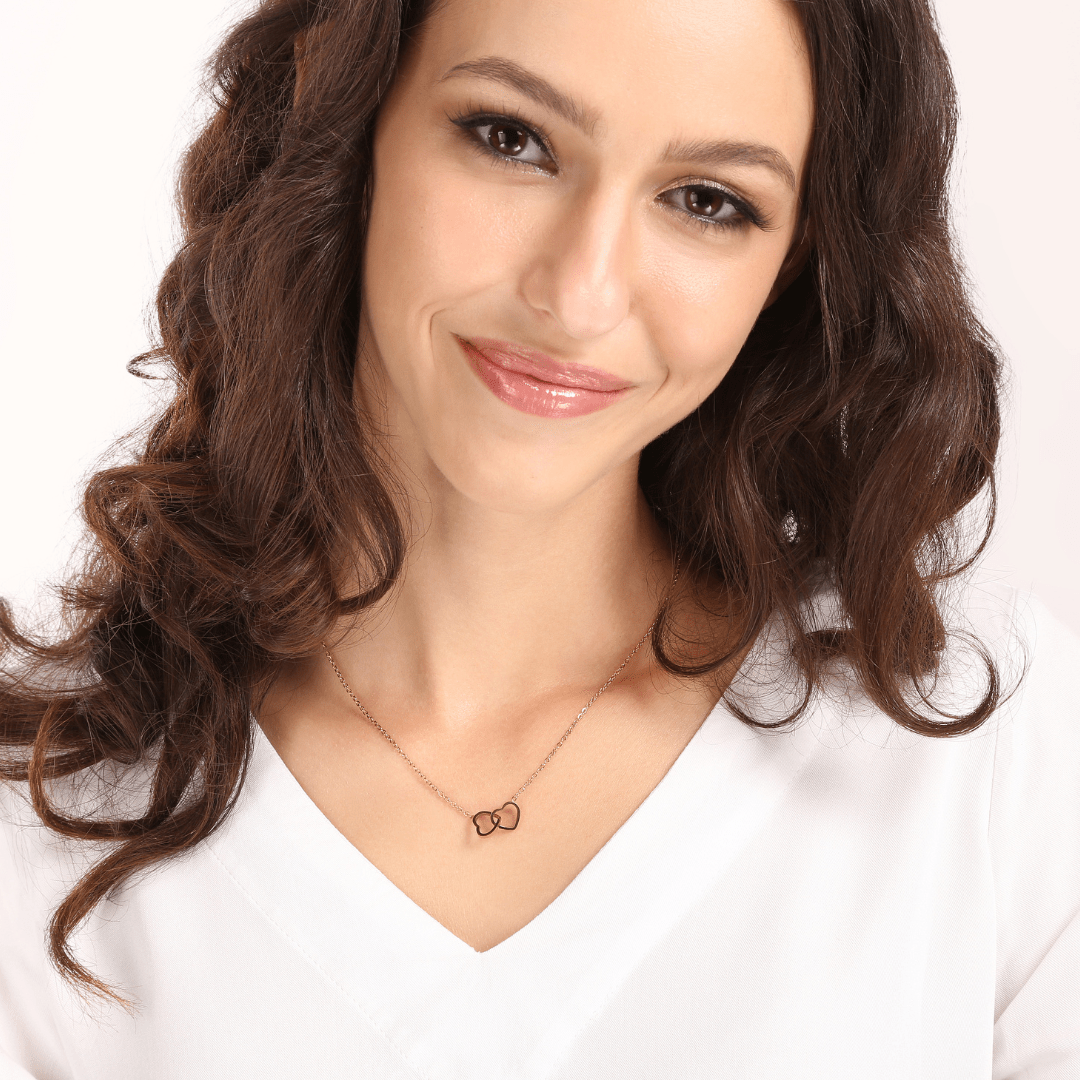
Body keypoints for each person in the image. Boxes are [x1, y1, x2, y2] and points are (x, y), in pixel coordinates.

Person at [1, 0, 1077, 1075]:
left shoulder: (987, 753)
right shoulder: (42, 816)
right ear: (348, 126)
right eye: (510, 138)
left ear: (791, 265)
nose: (579, 295)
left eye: (707, 201)